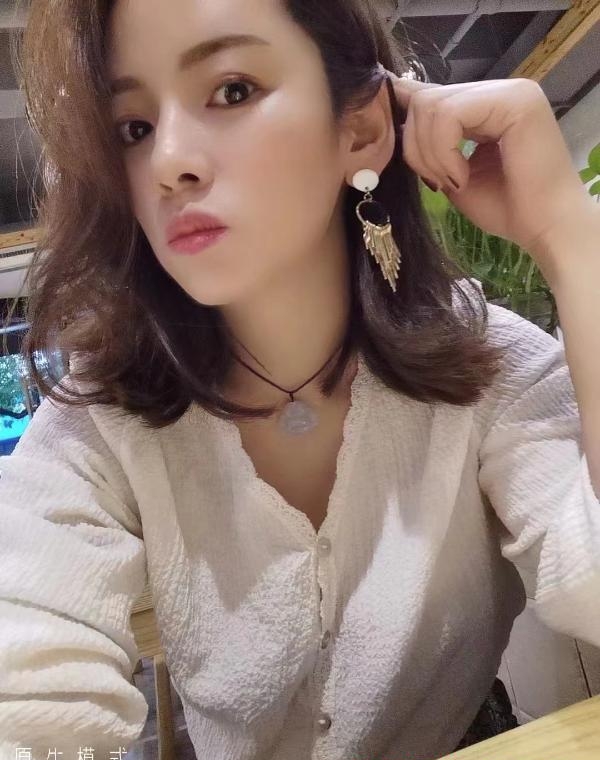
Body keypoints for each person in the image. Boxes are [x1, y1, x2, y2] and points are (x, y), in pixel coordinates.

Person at [1, 0, 599, 758]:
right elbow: (27, 690)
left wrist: (569, 237)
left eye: (232, 90)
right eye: (133, 128)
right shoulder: (101, 415)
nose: (169, 162)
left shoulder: (488, 364)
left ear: (361, 130)